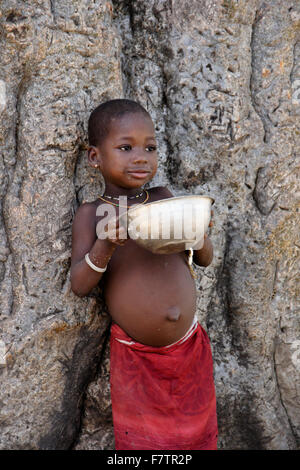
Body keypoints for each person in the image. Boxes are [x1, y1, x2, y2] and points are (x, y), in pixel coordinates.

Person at [70, 99, 218, 450]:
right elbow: (79, 284)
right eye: (126, 147)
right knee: (143, 444)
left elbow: (204, 259)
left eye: (149, 147)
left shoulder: (163, 198)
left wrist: (200, 236)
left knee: (195, 436)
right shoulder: (94, 214)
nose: (141, 157)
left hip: (188, 350)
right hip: (137, 358)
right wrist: (104, 246)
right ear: (95, 157)